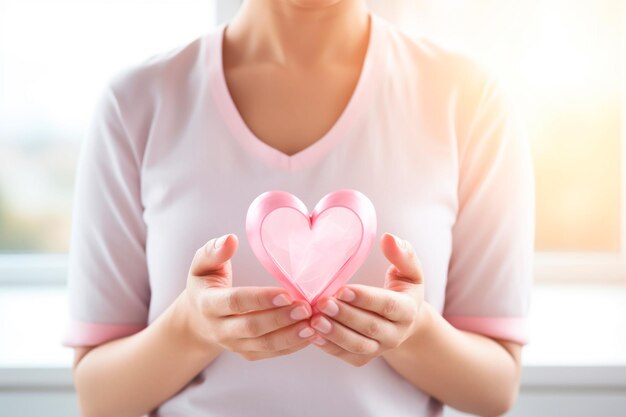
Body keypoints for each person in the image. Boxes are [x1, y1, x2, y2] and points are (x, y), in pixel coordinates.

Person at [62, 0, 535, 416]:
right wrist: (191, 328)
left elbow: (494, 388)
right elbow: (98, 398)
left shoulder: (469, 99)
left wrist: (413, 334)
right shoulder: (136, 103)